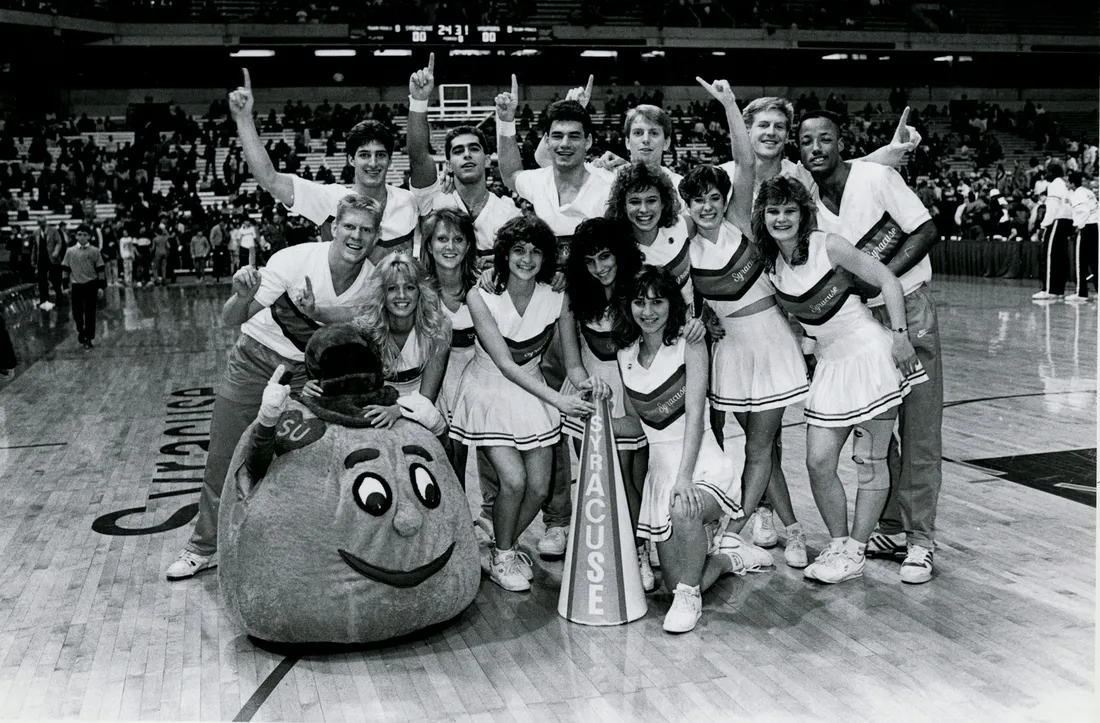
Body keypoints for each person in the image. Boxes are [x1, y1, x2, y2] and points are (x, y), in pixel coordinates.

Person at [165, 194, 382, 581]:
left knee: (297, 465)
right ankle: (203, 546)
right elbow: (232, 317)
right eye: (349, 226)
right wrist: (242, 296)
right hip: (253, 360)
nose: (356, 236)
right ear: (334, 228)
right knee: (225, 455)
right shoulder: (293, 260)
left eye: (366, 230)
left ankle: (291, 548)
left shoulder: (373, 282)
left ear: (376, 236)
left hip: (309, 377)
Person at [755, 175, 926, 585]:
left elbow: (886, 279)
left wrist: (901, 337)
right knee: (818, 461)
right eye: (773, 211)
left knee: (870, 463)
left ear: (803, 213)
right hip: (831, 365)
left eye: (789, 211)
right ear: (762, 216)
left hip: (870, 355)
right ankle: (838, 542)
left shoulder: (828, 244)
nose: (781, 219)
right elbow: (798, 324)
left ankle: (855, 550)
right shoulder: (771, 266)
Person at [798, 110, 943, 585]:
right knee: (878, 440)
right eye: (807, 141)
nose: (816, 147)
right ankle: (891, 527)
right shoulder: (808, 205)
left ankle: (921, 541)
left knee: (919, 430)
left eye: (825, 139)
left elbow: (924, 230)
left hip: (908, 314)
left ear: (841, 143)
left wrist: (884, 280)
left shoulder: (876, 177)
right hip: (858, 325)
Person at [681, 82, 809, 571]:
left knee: (761, 445)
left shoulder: (741, 219)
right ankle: (784, 525)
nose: (709, 206)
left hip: (771, 342)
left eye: (716, 197)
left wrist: (730, 104)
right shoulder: (686, 248)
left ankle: (736, 530)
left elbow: (747, 162)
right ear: (688, 206)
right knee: (761, 450)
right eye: (700, 201)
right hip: (728, 351)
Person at [495, 79, 614, 558]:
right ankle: (559, 520)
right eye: (556, 136)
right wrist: (506, 119)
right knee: (554, 414)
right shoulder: (537, 181)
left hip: (597, 310)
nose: (565, 144)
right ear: (547, 140)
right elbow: (508, 173)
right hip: (548, 314)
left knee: (599, 409)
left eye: (574, 136)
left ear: (589, 141)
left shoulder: (608, 185)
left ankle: (615, 512)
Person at [448, 215, 596, 592]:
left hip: (535, 392)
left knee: (539, 488)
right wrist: (560, 401)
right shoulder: (479, 295)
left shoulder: (558, 297)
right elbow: (505, 365)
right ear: (504, 254)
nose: (527, 259)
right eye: (518, 250)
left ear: (547, 258)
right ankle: (501, 555)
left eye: (535, 251)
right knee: (513, 481)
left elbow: (575, 362)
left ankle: (502, 545)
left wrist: (587, 385)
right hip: (489, 390)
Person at [614, 265, 745, 633]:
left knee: (683, 509)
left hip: (699, 463)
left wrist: (685, 477)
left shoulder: (690, 342)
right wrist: (590, 416)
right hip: (661, 471)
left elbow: (694, 416)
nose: (648, 311)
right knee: (675, 582)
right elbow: (634, 425)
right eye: (640, 302)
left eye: (657, 301)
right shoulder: (624, 354)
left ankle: (690, 602)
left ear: (673, 304)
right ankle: (727, 559)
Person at [229, 69, 418, 266]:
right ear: (351, 160)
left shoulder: (409, 201)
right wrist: (244, 120)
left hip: (398, 296)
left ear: (390, 160)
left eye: (380, 155)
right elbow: (269, 179)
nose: (373, 163)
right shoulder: (329, 200)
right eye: (364, 155)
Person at [561, 217, 655, 589]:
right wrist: (590, 388)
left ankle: (639, 552)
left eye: (605, 256)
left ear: (620, 252)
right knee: (596, 481)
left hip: (634, 390)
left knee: (632, 480)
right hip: (588, 389)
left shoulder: (640, 286)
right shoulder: (573, 294)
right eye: (589, 261)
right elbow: (572, 360)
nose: (599, 268)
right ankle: (600, 553)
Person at [406, 54, 521, 266]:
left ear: (487, 160)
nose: (467, 154)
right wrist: (419, 101)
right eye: (458, 151)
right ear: (448, 164)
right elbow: (418, 156)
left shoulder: (508, 212)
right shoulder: (434, 201)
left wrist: (506, 123)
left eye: (474, 149)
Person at [419, 208, 480, 483]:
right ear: (429, 246)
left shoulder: (485, 284)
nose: (450, 246)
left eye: (458, 239)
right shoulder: (415, 289)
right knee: (446, 460)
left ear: (468, 245)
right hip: (435, 381)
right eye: (442, 239)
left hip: (478, 377)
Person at [353, 253, 450, 410]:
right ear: (381, 293)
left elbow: (426, 398)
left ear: (421, 291)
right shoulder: (365, 329)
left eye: (410, 287)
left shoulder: (437, 328)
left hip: (419, 408)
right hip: (376, 407)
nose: (402, 295)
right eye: (392, 288)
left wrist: (396, 411)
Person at [1032, 163, 1075, 301]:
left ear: (1052, 172)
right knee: (1061, 257)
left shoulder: (1054, 185)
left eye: (1047, 172)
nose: (1045, 175)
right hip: (1067, 221)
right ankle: (1058, 290)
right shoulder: (1064, 185)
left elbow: (1052, 207)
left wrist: (1044, 225)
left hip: (1057, 221)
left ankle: (1049, 290)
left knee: (1050, 256)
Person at [60, 224, 105, 351]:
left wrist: (101, 287)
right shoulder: (70, 251)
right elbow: (65, 269)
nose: (82, 237)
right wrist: (65, 286)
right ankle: (81, 330)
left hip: (91, 284)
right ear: (75, 236)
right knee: (76, 312)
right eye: (79, 234)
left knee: (90, 312)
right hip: (76, 285)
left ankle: (89, 338)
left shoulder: (95, 251)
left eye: (85, 235)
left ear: (89, 236)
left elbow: (100, 269)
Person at [1066, 171, 1097, 302]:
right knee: (1095, 261)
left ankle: (1081, 293)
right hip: (1095, 227)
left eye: (1068, 181)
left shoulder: (1077, 194)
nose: (1067, 184)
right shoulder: (1088, 192)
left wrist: (1078, 225)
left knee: (1080, 262)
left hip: (1085, 228)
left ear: (1072, 183)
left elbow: (1082, 211)